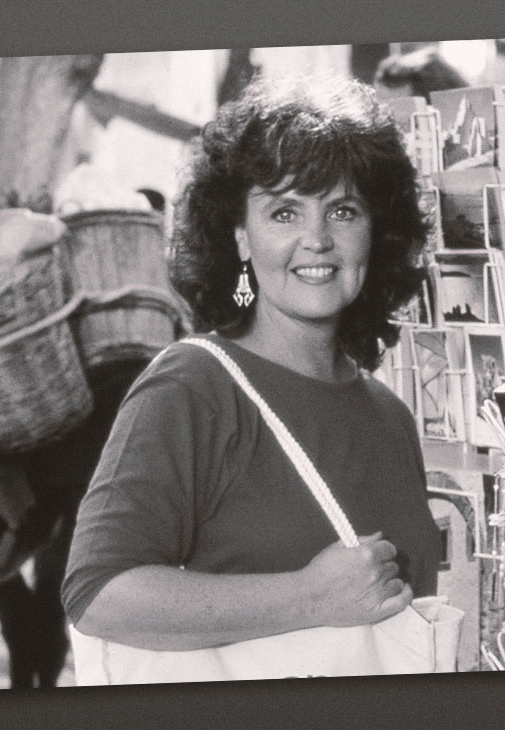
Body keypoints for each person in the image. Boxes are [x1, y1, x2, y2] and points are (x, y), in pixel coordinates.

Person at [61, 74, 441, 662]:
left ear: (375, 231)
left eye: (342, 211)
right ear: (240, 237)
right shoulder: (191, 387)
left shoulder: (390, 417)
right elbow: (97, 596)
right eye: (284, 213)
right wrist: (308, 598)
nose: (317, 239)